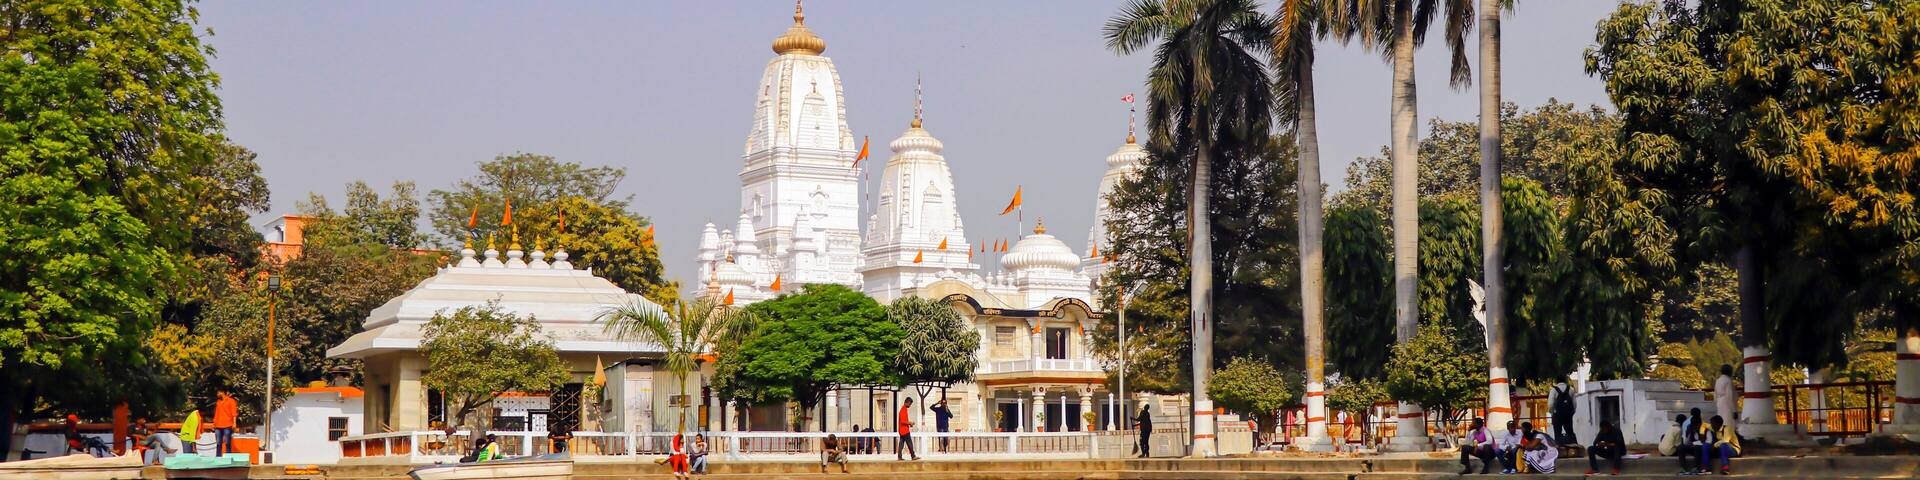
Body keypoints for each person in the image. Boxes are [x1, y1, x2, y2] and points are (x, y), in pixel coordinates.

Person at [212, 391, 238, 456]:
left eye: (218, 392)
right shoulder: (218, 402)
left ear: (223, 392)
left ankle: (228, 457)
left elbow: (234, 413)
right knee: (218, 443)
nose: (217, 394)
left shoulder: (231, 401)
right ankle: (218, 457)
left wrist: (234, 423)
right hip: (218, 425)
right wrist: (214, 423)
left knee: (227, 442)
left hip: (227, 425)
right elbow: (216, 413)